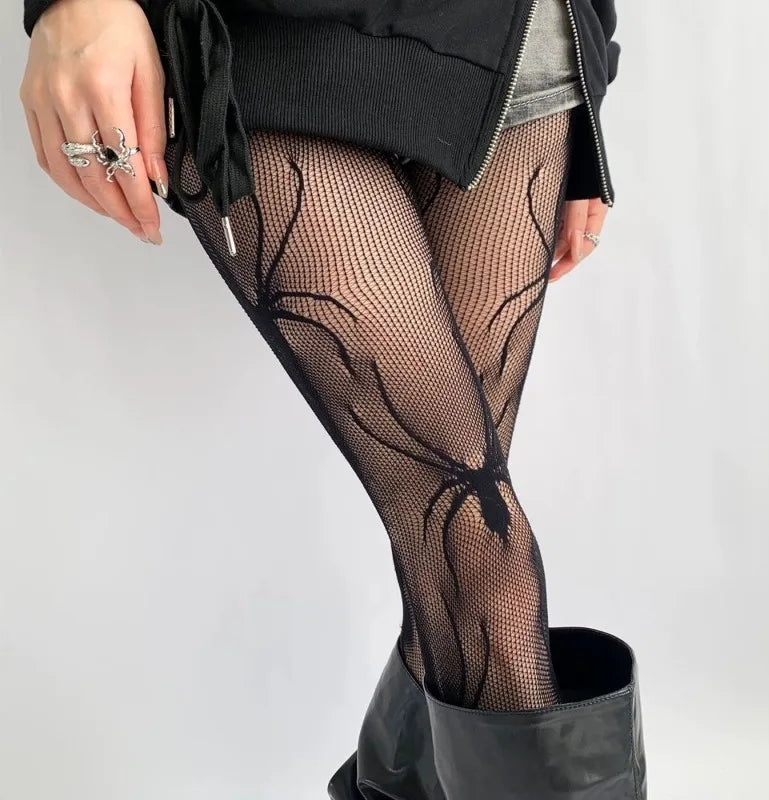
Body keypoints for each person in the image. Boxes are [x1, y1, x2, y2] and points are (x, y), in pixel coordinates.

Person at [18, 1, 648, 797]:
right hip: (270, 36)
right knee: (471, 539)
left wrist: (586, 80)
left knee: (448, 548)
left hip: (513, 44)